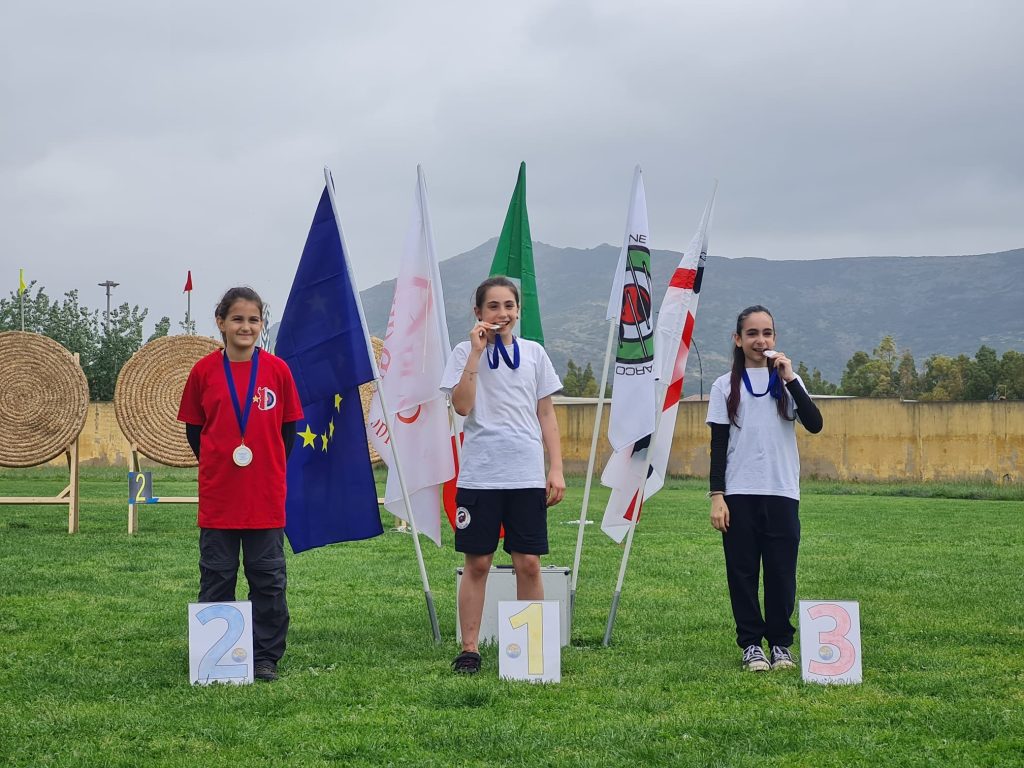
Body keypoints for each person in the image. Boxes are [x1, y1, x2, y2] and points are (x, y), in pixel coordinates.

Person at [440, 276, 566, 675]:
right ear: (478, 312)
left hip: (525, 475)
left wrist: (556, 467)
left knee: (528, 563)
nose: (502, 313)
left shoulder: (534, 354)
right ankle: (470, 649)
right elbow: (462, 406)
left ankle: (530, 650)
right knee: (478, 563)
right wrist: (476, 354)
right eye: (493, 306)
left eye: (509, 305)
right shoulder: (464, 352)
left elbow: (546, 414)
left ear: (518, 310)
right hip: (481, 476)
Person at [177, 287, 302, 682]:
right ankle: (217, 659)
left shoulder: (277, 371)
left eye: (253, 319)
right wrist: (221, 465)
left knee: (268, 580)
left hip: (264, 497)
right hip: (220, 497)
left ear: (261, 324)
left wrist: (265, 467)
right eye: (237, 319)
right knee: (217, 576)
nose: (245, 327)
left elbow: (288, 432)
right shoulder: (203, 372)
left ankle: (264, 657)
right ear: (221, 322)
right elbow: (195, 433)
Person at [706, 305, 823, 672]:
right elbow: (718, 446)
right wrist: (717, 497)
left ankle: (781, 645)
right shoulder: (724, 385)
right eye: (752, 333)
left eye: (767, 333)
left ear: (775, 337)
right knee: (741, 574)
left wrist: (790, 379)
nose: (761, 340)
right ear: (738, 339)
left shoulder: (789, 381)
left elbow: (815, 424)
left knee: (781, 573)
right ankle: (752, 645)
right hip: (739, 494)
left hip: (782, 492)